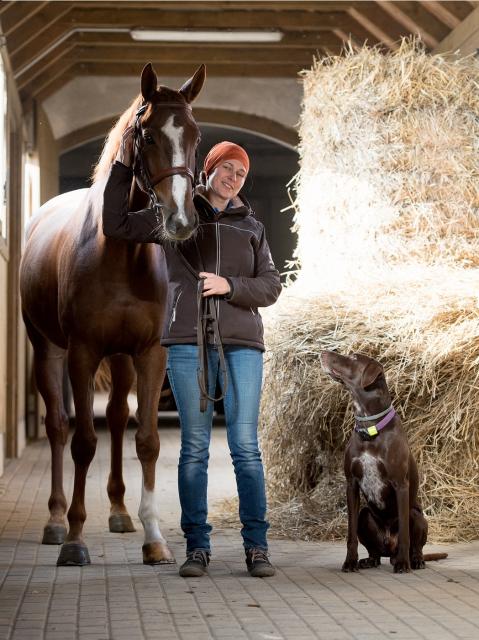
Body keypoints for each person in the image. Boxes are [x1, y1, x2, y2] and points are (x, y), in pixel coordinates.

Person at [102, 131, 282, 578]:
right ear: (210, 169)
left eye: (241, 173)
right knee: (195, 449)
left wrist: (232, 287)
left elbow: (272, 286)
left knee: (245, 448)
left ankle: (257, 548)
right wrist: (124, 162)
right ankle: (197, 548)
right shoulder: (175, 217)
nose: (234, 178)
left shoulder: (252, 228)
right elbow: (117, 224)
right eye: (227, 168)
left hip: (242, 345)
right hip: (187, 343)